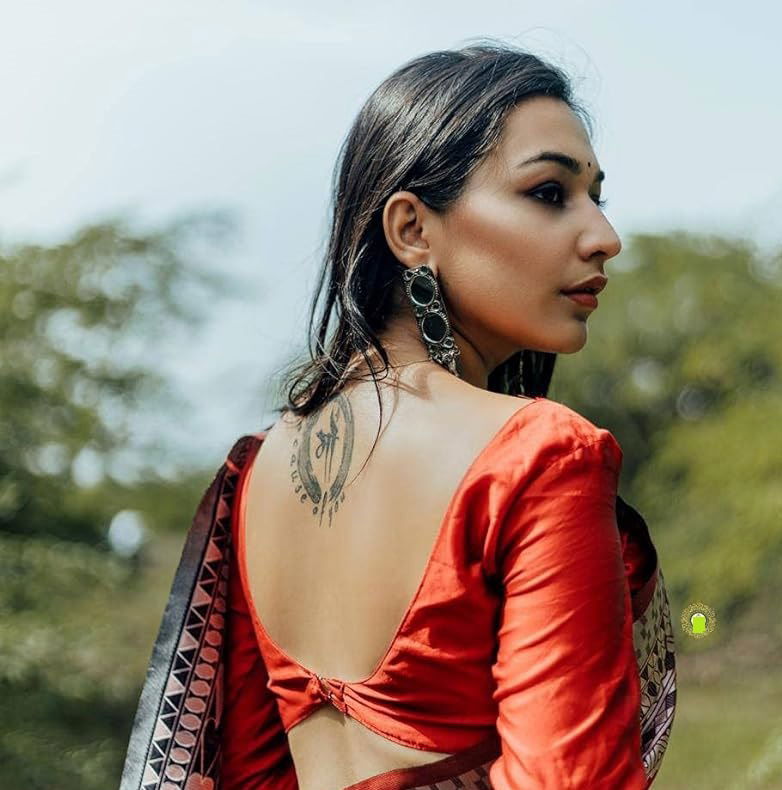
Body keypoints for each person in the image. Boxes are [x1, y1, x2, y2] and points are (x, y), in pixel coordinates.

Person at [120, 40, 676, 789]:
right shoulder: (537, 455)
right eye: (549, 193)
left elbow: (251, 770)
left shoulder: (256, 472)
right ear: (412, 229)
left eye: (596, 197)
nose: (604, 237)